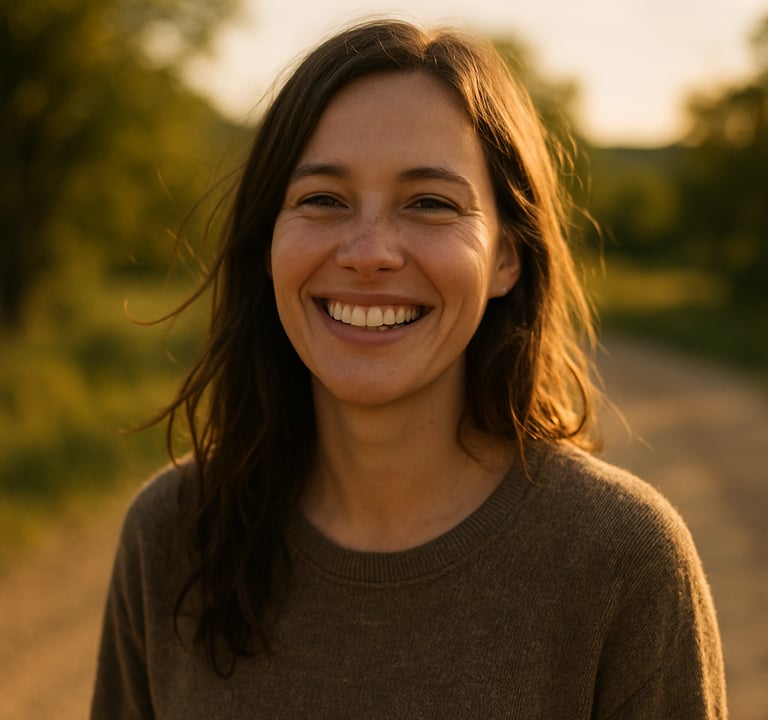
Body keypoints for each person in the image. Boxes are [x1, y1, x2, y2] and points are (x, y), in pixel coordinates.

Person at [91, 18, 727, 719]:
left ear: (506, 258)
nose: (370, 253)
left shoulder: (622, 561)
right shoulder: (172, 535)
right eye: (323, 200)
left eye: (429, 203)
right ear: (268, 241)